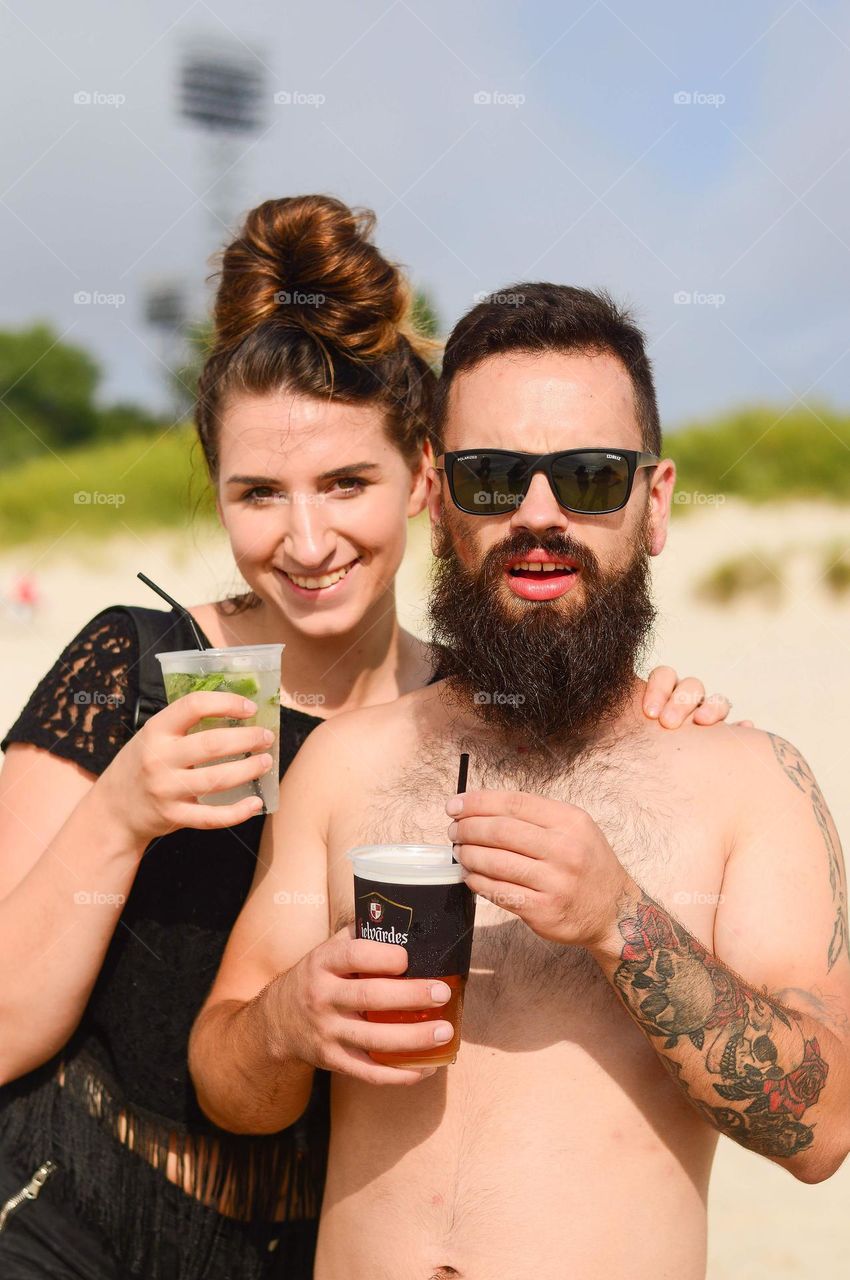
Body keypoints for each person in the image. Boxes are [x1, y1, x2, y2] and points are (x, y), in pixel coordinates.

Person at [0, 203, 725, 1280]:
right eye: (257, 494)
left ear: (425, 481)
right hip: (77, 1214)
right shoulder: (132, 663)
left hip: (314, 1249)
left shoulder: (473, 712)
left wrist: (661, 715)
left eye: (346, 483)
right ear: (220, 497)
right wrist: (121, 812)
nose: (305, 541)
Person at [190, 283, 850, 1280]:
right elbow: (228, 1079)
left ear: (654, 499)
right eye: (494, 478)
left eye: (588, 475)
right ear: (438, 489)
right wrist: (288, 1017)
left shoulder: (748, 782)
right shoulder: (347, 760)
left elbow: (819, 1128)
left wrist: (618, 917)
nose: (539, 516)